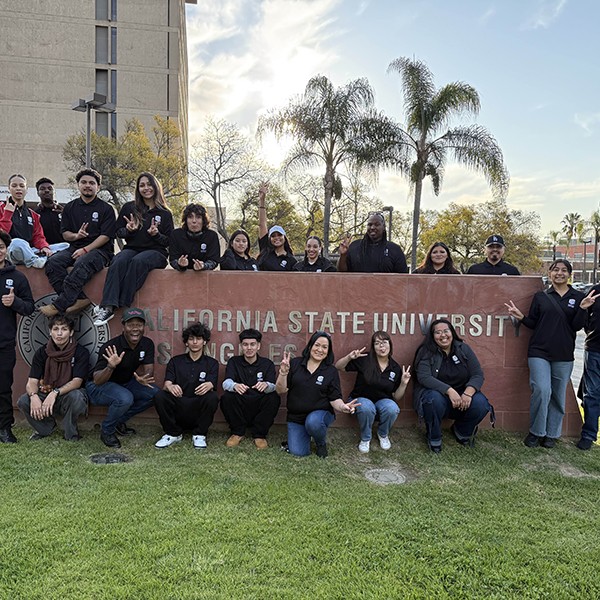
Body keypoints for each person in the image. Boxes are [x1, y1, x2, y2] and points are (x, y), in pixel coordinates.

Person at [505, 259, 596, 448]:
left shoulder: (578, 297)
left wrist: (582, 308)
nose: (559, 273)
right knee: (541, 389)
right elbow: (533, 323)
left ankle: (552, 434)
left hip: (563, 354)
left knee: (557, 394)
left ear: (569, 274)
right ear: (550, 274)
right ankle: (536, 431)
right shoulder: (541, 296)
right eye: (555, 270)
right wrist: (521, 317)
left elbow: (576, 326)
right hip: (538, 351)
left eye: (564, 270)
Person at [93, 172, 174, 325]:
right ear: (138, 189)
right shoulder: (130, 208)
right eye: (142, 185)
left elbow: (169, 241)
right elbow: (118, 232)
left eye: (149, 184)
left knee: (138, 262)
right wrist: (129, 230)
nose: (146, 188)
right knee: (118, 260)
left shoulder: (165, 213)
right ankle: (107, 307)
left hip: (156, 252)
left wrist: (156, 235)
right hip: (132, 248)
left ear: (156, 187)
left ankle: (120, 302)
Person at [41, 168, 116, 316]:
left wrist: (86, 249)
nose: (87, 185)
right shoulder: (70, 207)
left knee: (82, 262)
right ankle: (80, 299)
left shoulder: (106, 209)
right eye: (84, 182)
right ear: (78, 185)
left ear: (98, 187)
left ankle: (60, 304)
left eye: (91, 183)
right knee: (53, 262)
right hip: (75, 247)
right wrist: (76, 236)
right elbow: (65, 234)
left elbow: (106, 236)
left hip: (100, 251)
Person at [413, 318, 493, 453]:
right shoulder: (426, 351)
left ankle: (461, 432)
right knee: (433, 399)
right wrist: (449, 391)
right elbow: (424, 377)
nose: (443, 335)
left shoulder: (463, 349)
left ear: (452, 332)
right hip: (438, 399)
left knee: (481, 403)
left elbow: (477, 374)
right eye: (438, 333)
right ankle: (434, 437)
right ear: (432, 336)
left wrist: (468, 393)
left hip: (463, 398)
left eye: (446, 331)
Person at [276, 331, 358, 458]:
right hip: (296, 416)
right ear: (310, 346)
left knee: (313, 422)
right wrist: (283, 372)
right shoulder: (295, 364)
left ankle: (320, 443)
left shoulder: (330, 371)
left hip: (320, 414)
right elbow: (280, 390)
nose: (320, 350)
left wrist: (343, 407)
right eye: (317, 345)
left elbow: (335, 397)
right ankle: (302, 437)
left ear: (328, 351)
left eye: (325, 347)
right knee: (298, 453)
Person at [86, 307, 159, 448]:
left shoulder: (147, 343)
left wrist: (144, 377)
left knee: (155, 394)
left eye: (139, 325)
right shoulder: (111, 347)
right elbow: (97, 380)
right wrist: (111, 366)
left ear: (144, 327)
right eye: (131, 325)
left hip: (125, 383)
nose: (135, 329)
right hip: (99, 387)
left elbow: (149, 368)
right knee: (125, 398)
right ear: (124, 326)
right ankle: (107, 431)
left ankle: (118, 421)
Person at [336, 331, 411, 453]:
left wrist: (403, 383)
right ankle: (366, 437)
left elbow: (396, 396)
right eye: (377, 343)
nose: (381, 346)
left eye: (384, 342)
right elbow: (339, 366)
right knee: (366, 406)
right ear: (373, 347)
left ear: (390, 345)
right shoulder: (365, 359)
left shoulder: (395, 368)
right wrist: (349, 357)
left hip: (382, 401)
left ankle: (383, 434)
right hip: (361, 399)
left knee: (392, 408)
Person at [17, 314, 88, 441]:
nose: (59, 333)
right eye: (55, 329)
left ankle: (71, 433)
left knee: (77, 397)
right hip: (47, 390)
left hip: (68, 395)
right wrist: (34, 396)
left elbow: (77, 381)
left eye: (64, 329)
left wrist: (55, 393)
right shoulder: (42, 352)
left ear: (71, 332)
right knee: (23, 401)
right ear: (50, 332)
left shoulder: (81, 352)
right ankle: (45, 428)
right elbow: (32, 381)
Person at [154, 322, 219, 450]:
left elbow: (212, 384)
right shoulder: (175, 361)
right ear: (186, 342)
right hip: (179, 404)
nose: (195, 342)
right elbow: (166, 384)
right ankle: (173, 433)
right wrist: (171, 387)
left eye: (199, 339)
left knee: (212, 397)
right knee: (160, 396)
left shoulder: (212, 363)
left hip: (198, 406)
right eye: (191, 339)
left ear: (204, 342)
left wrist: (209, 385)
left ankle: (200, 434)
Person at [0, 229, 35, 443]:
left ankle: (4, 428)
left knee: (3, 387)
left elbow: (29, 308)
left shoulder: (16, 277)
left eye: (1, 247)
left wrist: (15, 303)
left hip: (4, 343)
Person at [221, 329, 280, 449]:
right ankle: (237, 433)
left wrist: (266, 385)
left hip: (259, 401)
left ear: (258, 346)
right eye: (245, 344)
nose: (249, 348)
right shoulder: (234, 362)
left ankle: (259, 435)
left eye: (252, 344)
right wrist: (235, 386)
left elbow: (274, 386)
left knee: (273, 398)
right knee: (227, 397)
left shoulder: (267, 363)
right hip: (241, 401)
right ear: (241, 346)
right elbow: (226, 383)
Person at [0, 174, 67, 269]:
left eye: (22, 186)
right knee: (17, 242)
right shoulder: (2, 208)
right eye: (14, 186)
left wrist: (44, 247)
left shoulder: (33, 214)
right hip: (11, 250)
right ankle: (36, 261)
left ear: (26, 189)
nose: (18, 188)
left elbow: (38, 236)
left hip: (30, 250)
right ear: (9, 188)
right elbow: (1, 235)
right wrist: (7, 214)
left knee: (65, 246)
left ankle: (42, 257)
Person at [337, 212, 408, 273]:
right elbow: (342, 272)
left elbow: (403, 277)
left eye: (377, 224)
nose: (372, 227)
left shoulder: (395, 249)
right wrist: (343, 255)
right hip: (357, 288)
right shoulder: (355, 246)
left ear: (383, 227)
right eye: (370, 224)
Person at [578, 280, 600, 450]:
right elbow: (584, 315)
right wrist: (592, 331)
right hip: (594, 349)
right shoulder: (595, 291)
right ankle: (589, 435)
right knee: (592, 393)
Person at [257, 183, 297, 271]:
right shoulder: (265, 250)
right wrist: (262, 201)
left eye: (279, 235)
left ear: (284, 237)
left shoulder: (291, 260)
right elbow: (262, 224)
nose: (276, 238)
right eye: (273, 236)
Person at [169, 203, 220, 272]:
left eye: (198, 217)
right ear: (185, 220)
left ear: (203, 220)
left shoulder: (212, 236)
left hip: (204, 277)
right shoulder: (176, 234)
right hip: (181, 277)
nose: (194, 221)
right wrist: (179, 264)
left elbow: (214, 260)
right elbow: (173, 259)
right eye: (190, 217)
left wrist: (204, 266)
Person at [34, 177, 65, 246]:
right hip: (44, 250)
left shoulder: (64, 211)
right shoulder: (35, 214)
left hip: (64, 248)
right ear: (38, 193)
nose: (47, 190)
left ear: (54, 192)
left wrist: (64, 213)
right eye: (42, 189)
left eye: (50, 188)